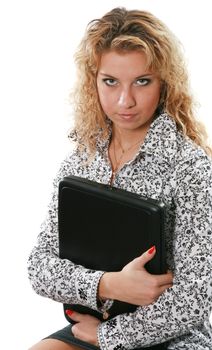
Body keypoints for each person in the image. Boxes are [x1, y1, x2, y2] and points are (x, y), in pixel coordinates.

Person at [27, 7, 212, 350]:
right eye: (110, 81)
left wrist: (110, 337)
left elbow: (195, 299)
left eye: (142, 81)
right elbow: (40, 268)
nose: (125, 100)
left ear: (164, 84)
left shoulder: (190, 167)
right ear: (93, 81)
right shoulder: (79, 162)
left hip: (172, 337)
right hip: (92, 323)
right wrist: (108, 285)